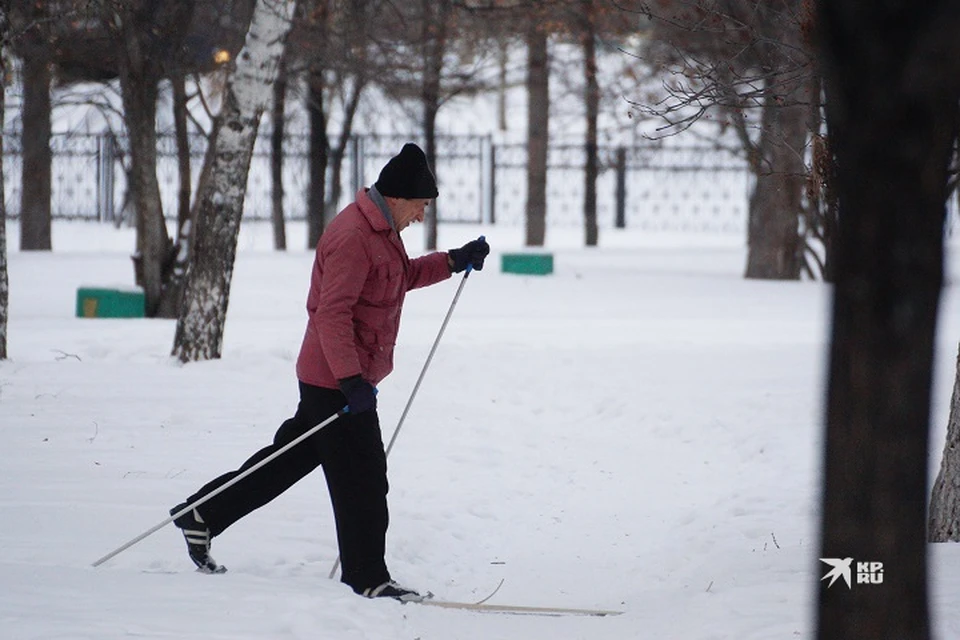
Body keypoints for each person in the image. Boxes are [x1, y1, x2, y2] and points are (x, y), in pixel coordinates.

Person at [169, 143, 490, 602]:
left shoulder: (381, 231)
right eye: (420, 206)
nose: (421, 216)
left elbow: (398, 278)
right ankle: (367, 578)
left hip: (342, 378)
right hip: (336, 381)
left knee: (288, 459)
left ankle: (201, 515)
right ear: (398, 197)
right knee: (363, 478)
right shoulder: (353, 236)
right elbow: (331, 314)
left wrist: (453, 260)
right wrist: (350, 381)